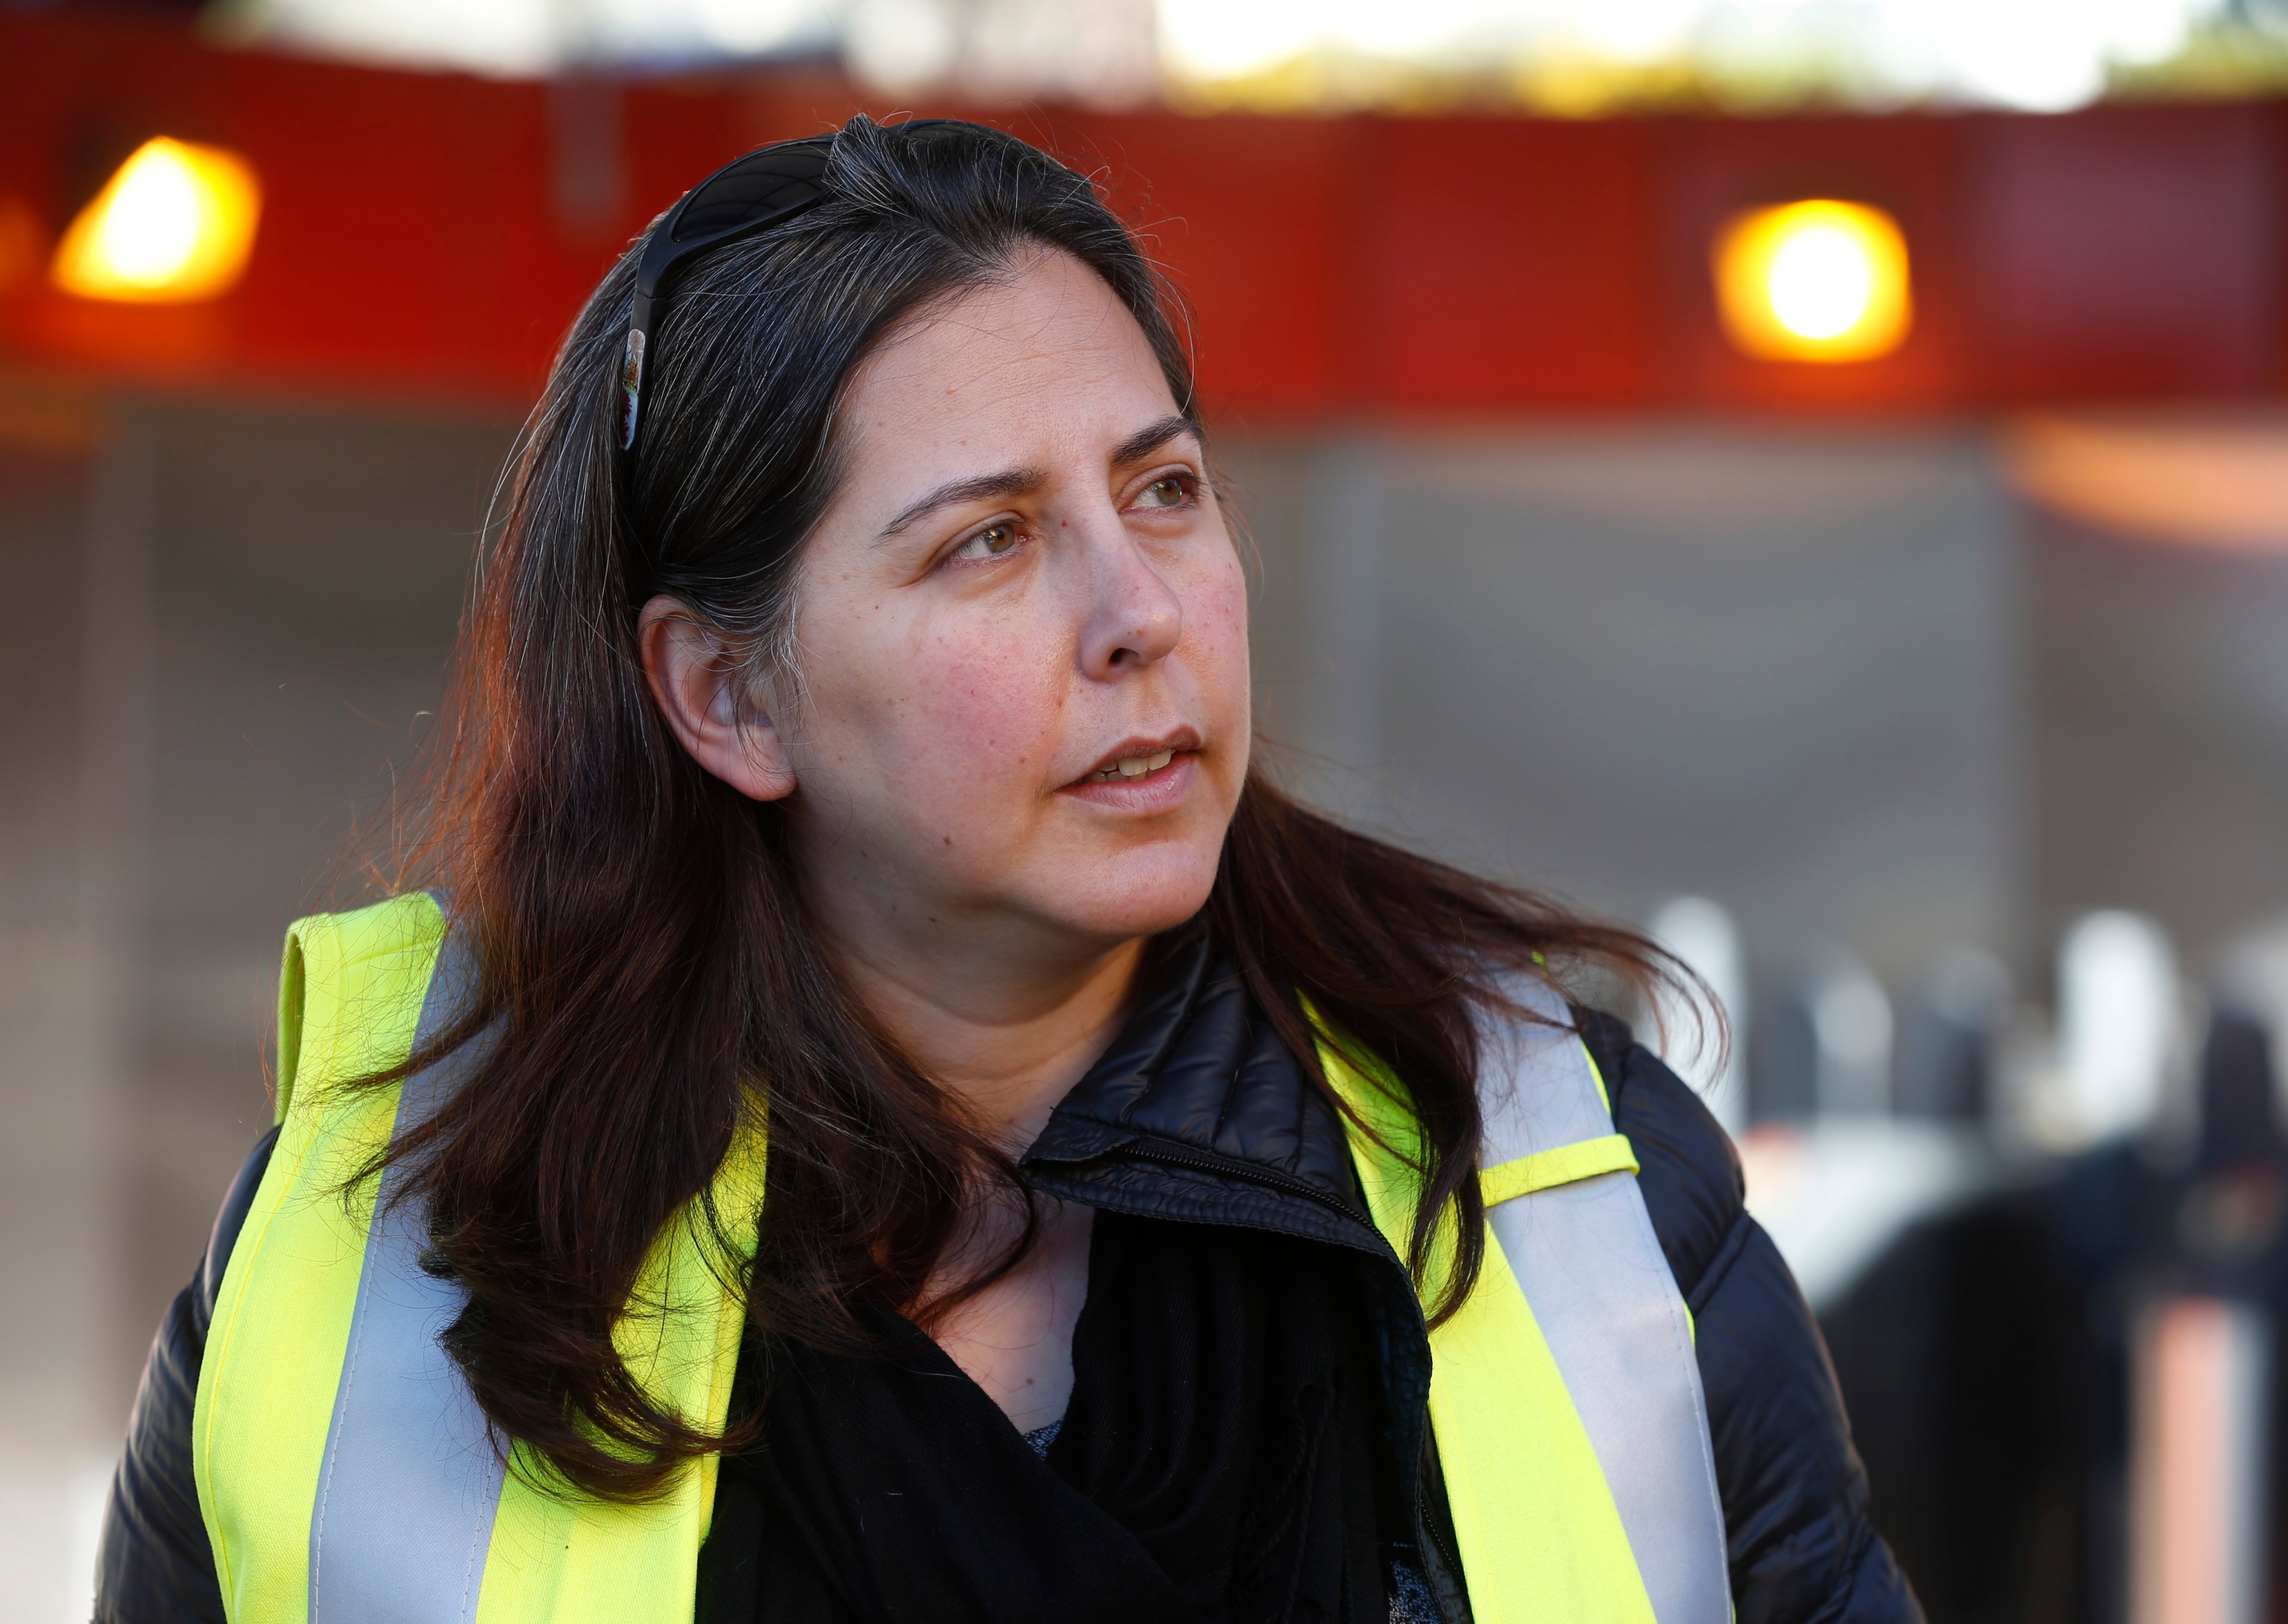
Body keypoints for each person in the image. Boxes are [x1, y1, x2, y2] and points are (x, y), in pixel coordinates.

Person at [95, 116, 1919, 1624]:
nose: (1140, 615)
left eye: (1165, 490)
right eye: (988, 543)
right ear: (728, 696)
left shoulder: (1558, 1179)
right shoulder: (381, 1257)